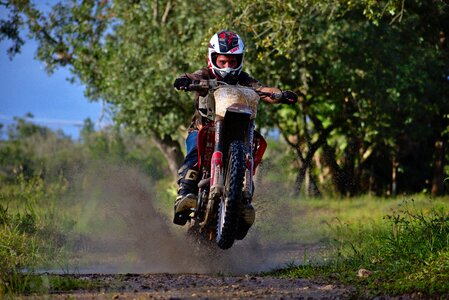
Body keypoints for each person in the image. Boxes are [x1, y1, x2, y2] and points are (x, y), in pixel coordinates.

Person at [172, 30, 297, 225]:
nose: (228, 66)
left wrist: (280, 94)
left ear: (240, 60)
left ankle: (244, 203)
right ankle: (185, 195)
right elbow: (192, 76)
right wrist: (186, 80)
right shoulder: (205, 74)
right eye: (223, 62)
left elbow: (263, 90)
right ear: (212, 58)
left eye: (233, 62)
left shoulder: (245, 79)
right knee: (194, 151)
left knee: (252, 152)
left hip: (237, 131)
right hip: (204, 127)